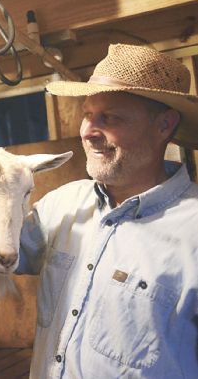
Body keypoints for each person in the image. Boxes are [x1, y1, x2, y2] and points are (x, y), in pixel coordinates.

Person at [17, 43, 198, 378]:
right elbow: (1, 251)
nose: (87, 131)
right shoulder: (62, 204)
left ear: (164, 126)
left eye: (110, 117)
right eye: (87, 114)